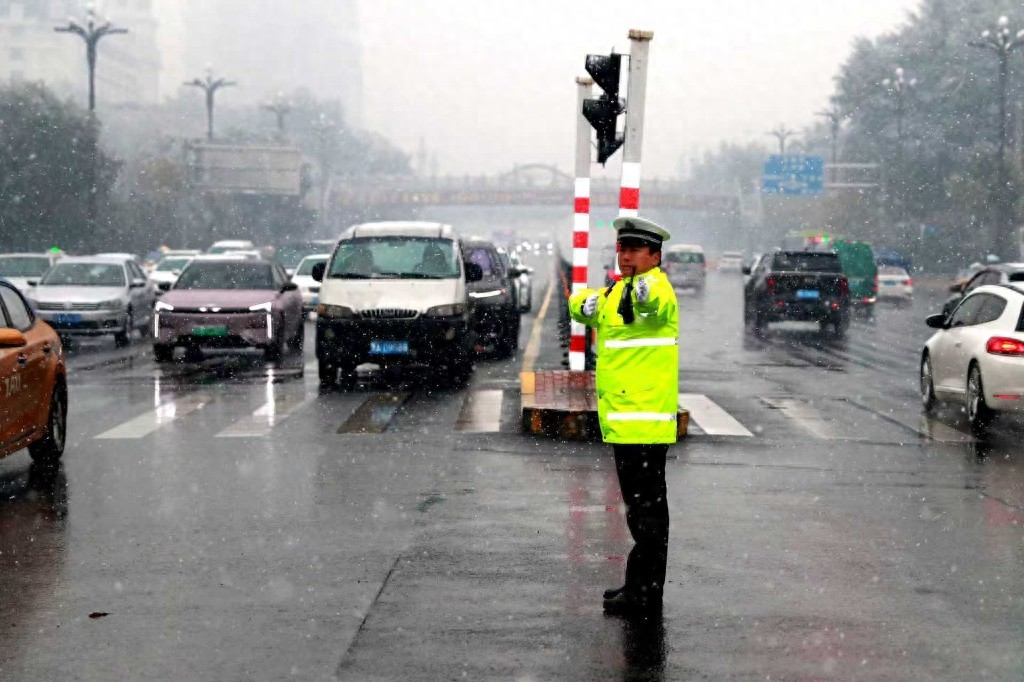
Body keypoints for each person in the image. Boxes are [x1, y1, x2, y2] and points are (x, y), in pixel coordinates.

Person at [568, 216, 679, 615]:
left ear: (655, 255)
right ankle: (637, 588)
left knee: (649, 518)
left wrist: (641, 285)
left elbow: (653, 298)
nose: (626, 255)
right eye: (622, 248)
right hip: (624, 423)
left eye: (634, 249)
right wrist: (591, 300)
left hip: (646, 424)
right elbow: (579, 307)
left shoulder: (658, 291)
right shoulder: (618, 293)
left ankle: (645, 596)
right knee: (639, 514)